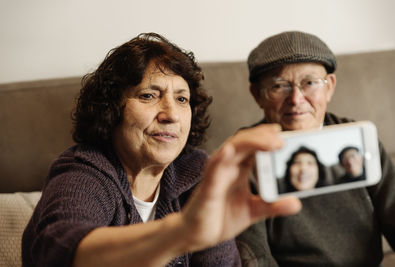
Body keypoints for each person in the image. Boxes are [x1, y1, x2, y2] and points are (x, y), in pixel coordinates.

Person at [21, 32, 301, 267]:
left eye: (182, 99)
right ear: (111, 110)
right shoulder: (85, 171)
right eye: (149, 95)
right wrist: (182, 231)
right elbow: (60, 250)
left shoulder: (195, 172)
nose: (171, 114)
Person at [235, 31, 395, 266]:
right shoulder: (243, 154)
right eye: (279, 85)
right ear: (257, 95)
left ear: (329, 87)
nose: (296, 99)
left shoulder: (357, 139)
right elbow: (253, 256)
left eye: (310, 83)